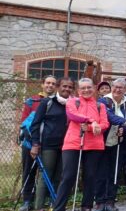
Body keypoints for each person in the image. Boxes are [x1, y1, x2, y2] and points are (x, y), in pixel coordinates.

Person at [52, 78, 109, 211]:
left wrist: (89, 127)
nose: (86, 90)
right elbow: (72, 115)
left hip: (94, 144)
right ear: (78, 90)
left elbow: (105, 124)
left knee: (90, 176)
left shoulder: (100, 106)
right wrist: (91, 121)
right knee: (68, 176)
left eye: (89, 87)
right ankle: (59, 207)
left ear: (94, 89)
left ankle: (86, 206)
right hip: (73, 143)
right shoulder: (72, 101)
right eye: (83, 88)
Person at [29, 78, 73, 211]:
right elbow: (35, 124)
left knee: (60, 177)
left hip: (67, 146)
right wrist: (35, 144)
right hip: (48, 145)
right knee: (45, 176)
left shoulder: (73, 103)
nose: (67, 89)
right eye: (64, 86)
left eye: (70, 87)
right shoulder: (47, 102)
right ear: (58, 87)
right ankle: (40, 207)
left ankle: (57, 206)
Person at [18, 75, 57, 211]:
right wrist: (32, 141)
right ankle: (27, 201)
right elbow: (24, 122)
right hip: (30, 142)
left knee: (47, 172)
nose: (50, 85)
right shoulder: (32, 101)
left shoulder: (58, 102)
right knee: (29, 171)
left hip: (48, 144)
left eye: (53, 83)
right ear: (42, 84)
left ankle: (46, 199)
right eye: (47, 83)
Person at [96, 78, 126, 211]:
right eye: (115, 87)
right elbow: (109, 116)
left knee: (115, 172)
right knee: (102, 172)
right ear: (112, 87)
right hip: (102, 141)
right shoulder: (103, 101)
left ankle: (110, 201)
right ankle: (100, 201)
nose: (118, 90)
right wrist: (125, 123)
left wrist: (123, 128)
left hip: (119, 142)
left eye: (121, 88)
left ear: (125, 90)